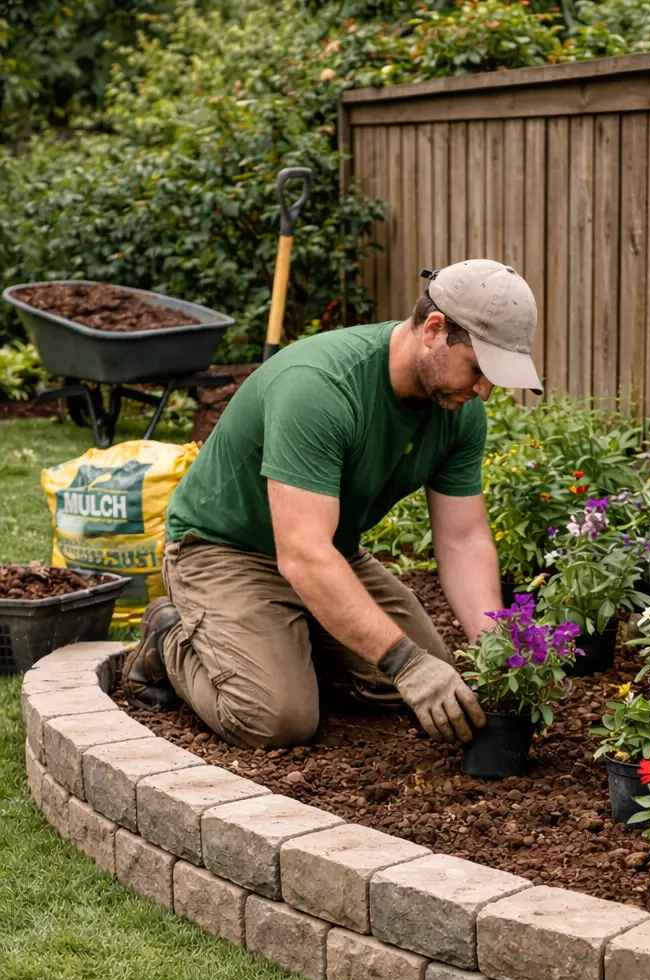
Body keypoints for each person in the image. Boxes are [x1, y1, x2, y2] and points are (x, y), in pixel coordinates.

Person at [121, 259, 542, 750]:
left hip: (328, 555)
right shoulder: (319, 387)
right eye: (479, 368)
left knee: (441, 684)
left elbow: (463, 538)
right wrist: (403, 660)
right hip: (224, 550)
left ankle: (283, 649)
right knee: (277, 719)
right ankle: (169, 637)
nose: (485, 391)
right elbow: (302, 553)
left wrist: (496, 648)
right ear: (433, 329)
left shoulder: (457, 410)